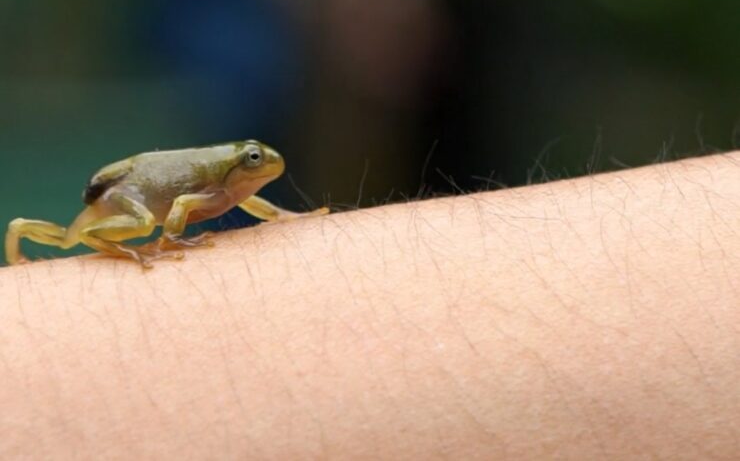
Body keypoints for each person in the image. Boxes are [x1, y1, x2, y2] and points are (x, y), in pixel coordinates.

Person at [0, 152, 737, 459]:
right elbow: (186, 208)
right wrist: (163, 244)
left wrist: (284, 221)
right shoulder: (210, 183)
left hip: (139, 186)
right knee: (102, 233)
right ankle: (40, 255)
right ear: (238, 164)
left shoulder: (234, 182)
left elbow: (228, 202)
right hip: (127, 198)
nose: (261, 168)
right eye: (251, 162)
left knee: (89, 230)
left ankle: (37, 253)